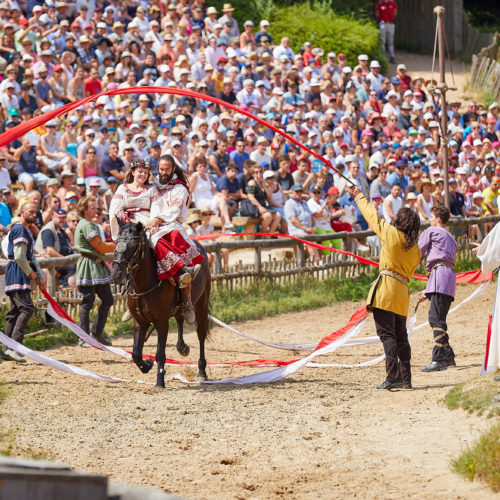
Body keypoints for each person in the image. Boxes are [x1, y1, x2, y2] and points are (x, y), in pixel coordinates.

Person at [351, 185, 421, 390]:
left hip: (387, 290)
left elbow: (371, 216)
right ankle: (406, 377)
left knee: (387, 334)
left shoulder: (391, 234)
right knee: (400, 335)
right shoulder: (416, 250)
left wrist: (358, 197)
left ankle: (393, 376)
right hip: (402, 294)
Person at [149, 155, 204, 323]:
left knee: (171, 237)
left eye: (167, 169)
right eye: (161, 169)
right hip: (149, 225)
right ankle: (133, 296)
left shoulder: (180, 188)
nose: (163, 172)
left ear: (173, 169)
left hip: (170, 224)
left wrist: (158, 220)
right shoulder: (152, 185)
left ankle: (186, 295)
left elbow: (175, 208)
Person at [418, 206, 457, 372]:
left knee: (435, 318)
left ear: (438, 220)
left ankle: (439, 359)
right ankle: (448, 356)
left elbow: (417, 252)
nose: (429, 220)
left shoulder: (432, 231)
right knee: (439, 316)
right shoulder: (451, 238)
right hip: (448, 277)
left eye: (431, 217)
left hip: (439, 274)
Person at [2, 202, 43, 362]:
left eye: (35, 212)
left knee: (14, 313)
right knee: (26, 308)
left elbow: (30, 256)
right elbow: (19, 256)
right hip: (18, 271)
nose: (34, 214)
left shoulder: (26, 231)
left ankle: (7, 350)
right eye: (30, 211)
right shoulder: (19, 228)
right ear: (22, 212)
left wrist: (39, 274)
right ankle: (14, 347)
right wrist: (31, 273)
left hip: (18, 270)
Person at [75, 195, 116, 346]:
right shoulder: (85, 224)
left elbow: (99, 247)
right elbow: (99, 246)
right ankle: (83, 337)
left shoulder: (90, 224)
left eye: (96, 207)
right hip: (88, 264)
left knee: (108, 299)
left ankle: (96, 332)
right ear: (84, 210)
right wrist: (117, 245)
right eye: (92, 208)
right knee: (87, 301)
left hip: (97, 265)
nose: (96, 210)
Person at [35, 208, 76, 288]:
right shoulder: (48, 230)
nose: (62, 220)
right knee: (72, 267)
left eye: (64, 218)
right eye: (59, 217)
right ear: (53, 217)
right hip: (49, 261)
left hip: (59, 260)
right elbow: (49, 251)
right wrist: (66, 260)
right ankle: (74, 292)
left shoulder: (61, 230)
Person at [284, 184, 320, 262]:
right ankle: (317, 262)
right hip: (296, 231)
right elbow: (293, 220)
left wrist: (313, 227)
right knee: (309, 240)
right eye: (297, 191)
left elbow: (311, 215)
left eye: (300, 191)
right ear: (292, 192)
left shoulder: (304, 202)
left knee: (313, 239)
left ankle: (317, 262)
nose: (299, 193)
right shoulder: (289, 203)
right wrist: (305, 228)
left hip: (308, 230)